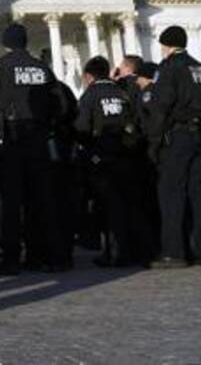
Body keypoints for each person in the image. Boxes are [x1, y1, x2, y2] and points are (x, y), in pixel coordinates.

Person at [0, 21, 69, 275]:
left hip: (11, 138)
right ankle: (43, 255)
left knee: (11, 202)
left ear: (6, 43)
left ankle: (11, 258)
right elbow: (60, 105)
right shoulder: (42, 69)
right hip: (39, 139)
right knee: (41, 199)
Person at [146, 26, 201, 268]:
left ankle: (174, 252)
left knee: (171, 193)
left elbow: (160, 106)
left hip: (178, 136)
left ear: (166, 46)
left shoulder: (168, 68)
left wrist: (154, 142)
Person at [75, 56, 150, 267]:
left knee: (109, 207)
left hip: (103, 158)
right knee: (133, 204)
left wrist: (89, 152)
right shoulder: (122, 92)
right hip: (128, 155)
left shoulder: (90, 96)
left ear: (89, 76)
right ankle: (141, 250)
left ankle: (116, 252)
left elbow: (81, 128)